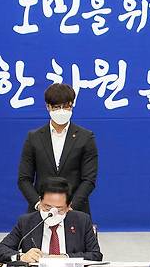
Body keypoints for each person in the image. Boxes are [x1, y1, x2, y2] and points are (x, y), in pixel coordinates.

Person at [18, 83, 98, 214]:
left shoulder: (86, 137)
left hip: (75, 212)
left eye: (66, 106)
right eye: (56, 107)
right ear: (48, 106)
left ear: (72, 105)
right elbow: (24, 178)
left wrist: (71, 206)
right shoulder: (34, 137)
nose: (62, 111)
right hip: (41, 212)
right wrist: (39, 204)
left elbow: (89, 179)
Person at [0, 177, 102, 263]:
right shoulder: (26, 222)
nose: (52, 213)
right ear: (40, 201)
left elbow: (96, 255)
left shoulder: (82, 221)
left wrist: (66, 257)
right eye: (47, 207)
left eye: (59, 209)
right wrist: (21, 256)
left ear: (69, 206)